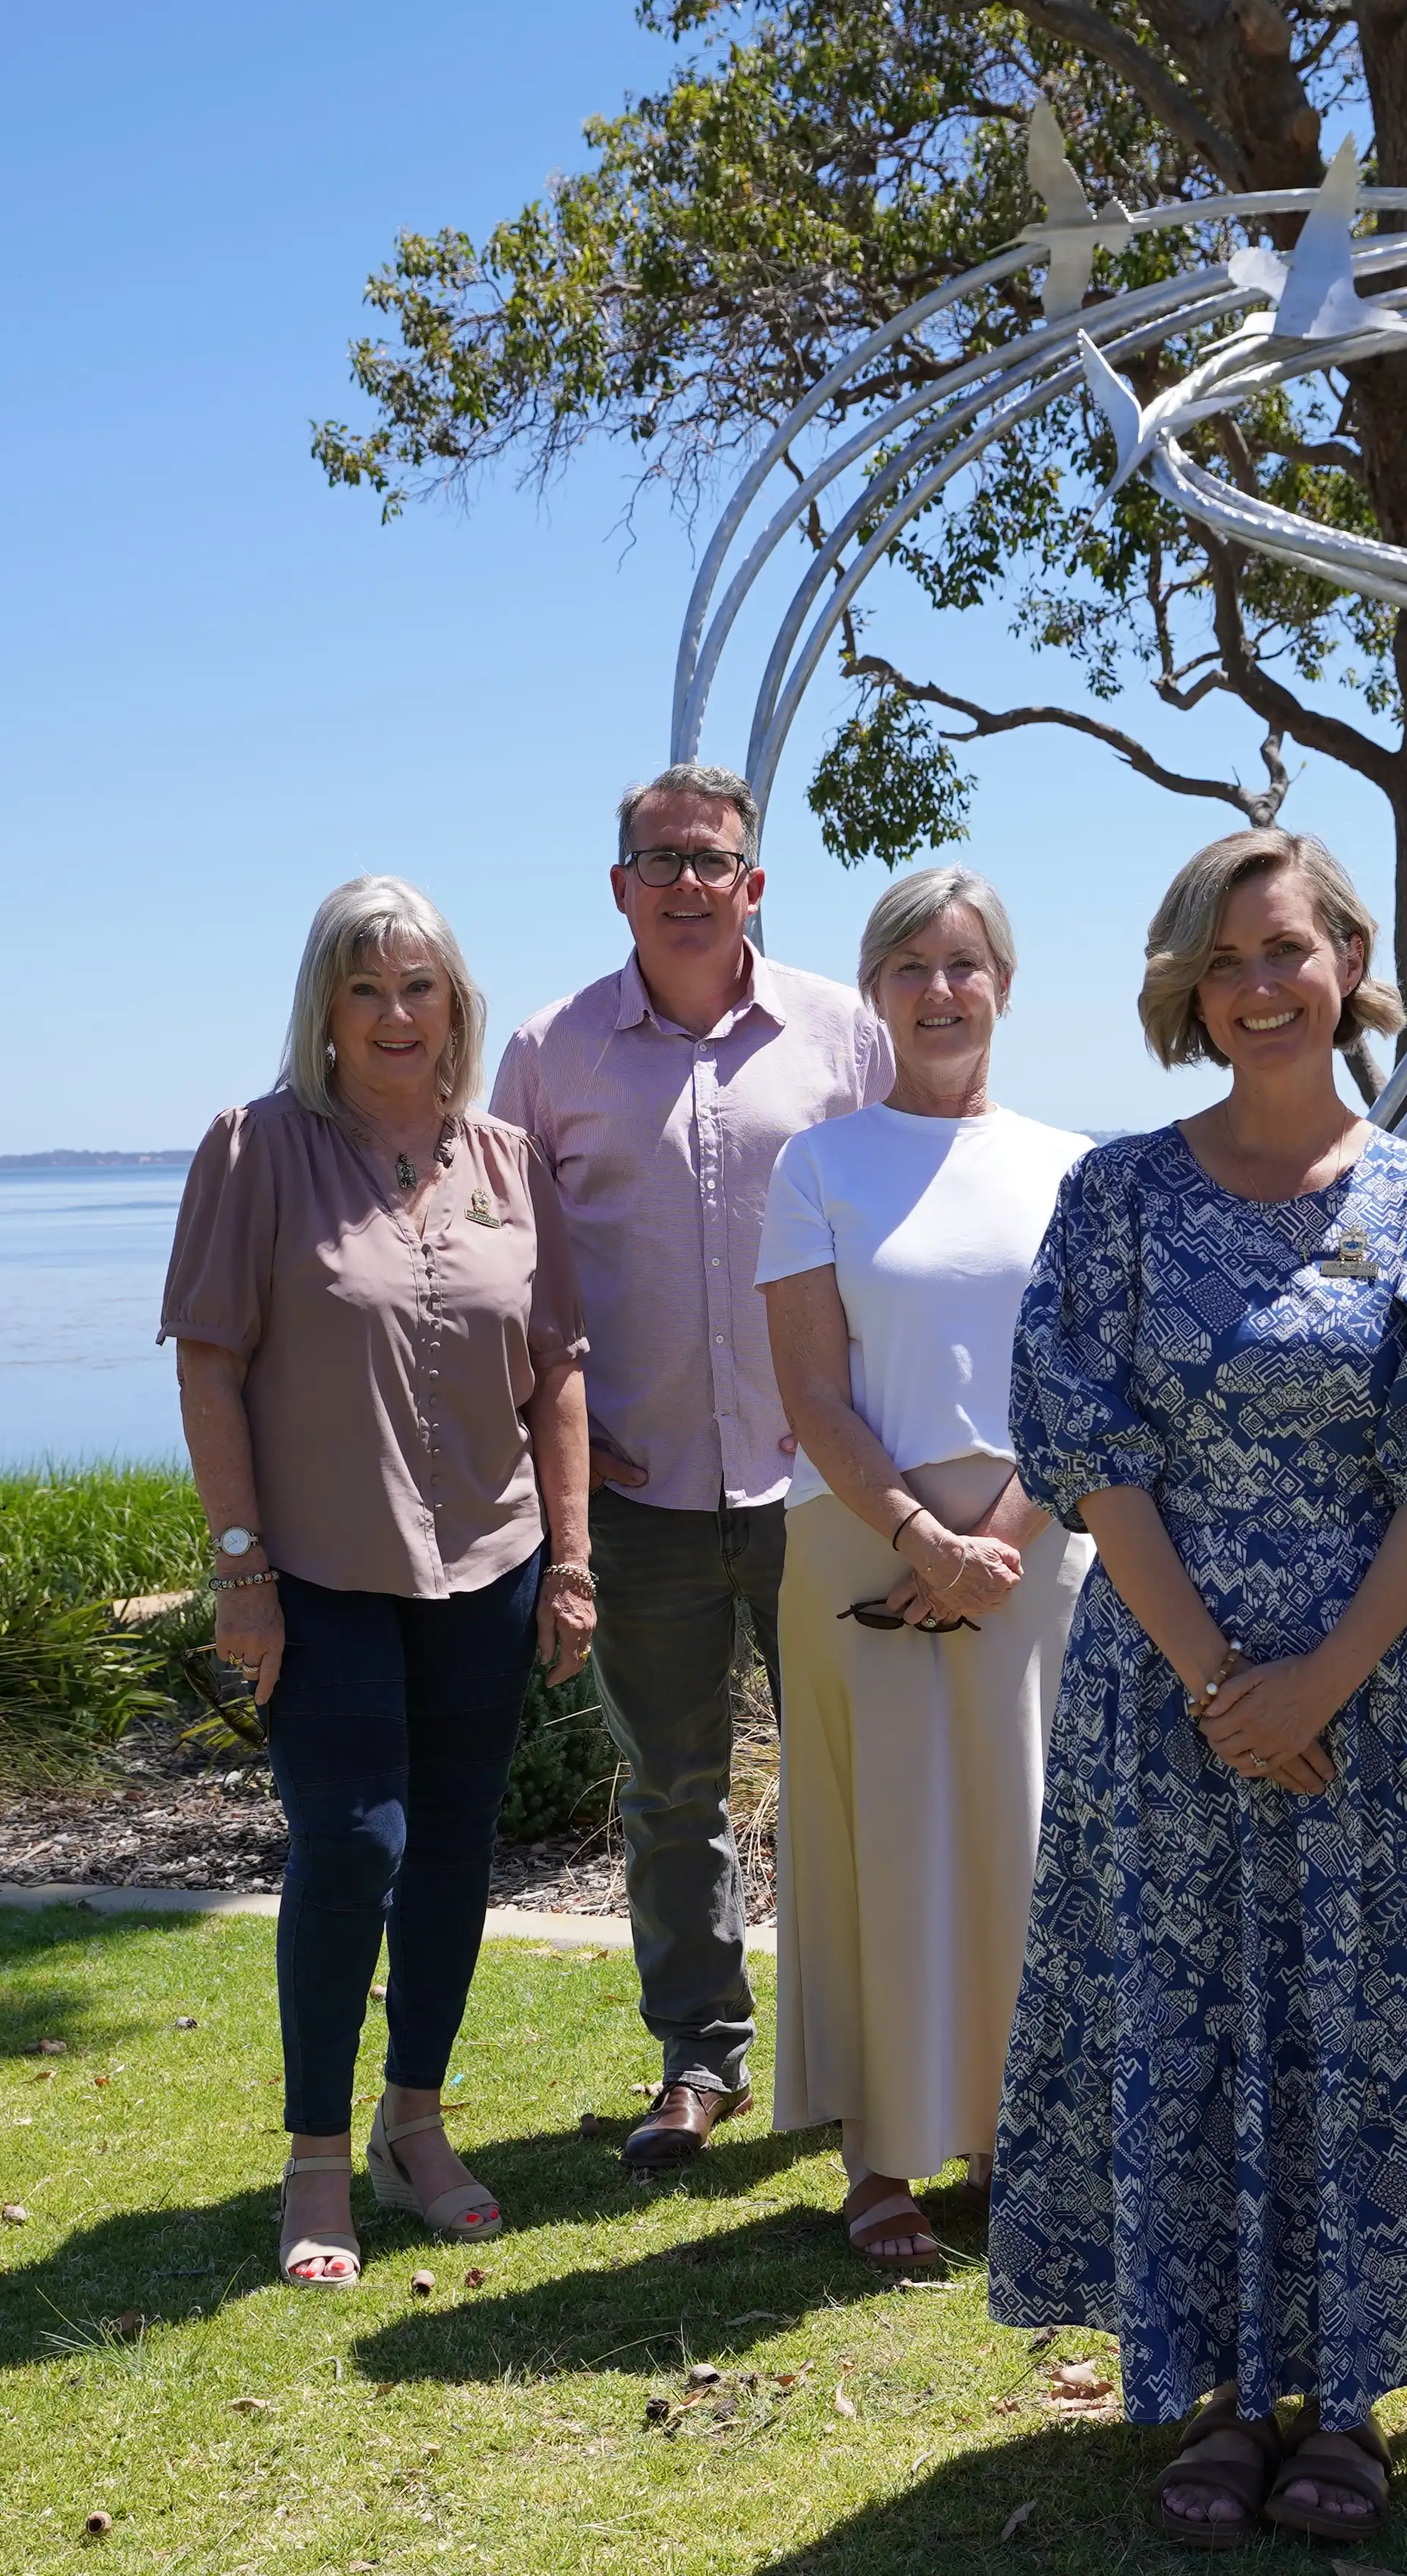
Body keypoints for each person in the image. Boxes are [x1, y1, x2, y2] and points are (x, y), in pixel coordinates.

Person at [989, 827, 1407, 2551]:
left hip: (1388, 1705)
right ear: (1186, 989)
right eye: (1225, 959)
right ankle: (1207, 2388)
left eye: (1289, 950)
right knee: (1188, 2023)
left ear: (1349, 960)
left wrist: (1323, 1680)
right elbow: (1086, 1440)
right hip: (1168, 1702)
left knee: (1369, 2026)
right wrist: (1220, 1683)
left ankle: (1344, 2401)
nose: (1261, 986)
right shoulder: (1114, 1196)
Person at [164, 875, 599, 2290]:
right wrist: (241, 1572)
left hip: (490, 1559)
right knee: (352, 1844)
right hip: (324, 1572)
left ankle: (416, 2125)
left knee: (459, 1851)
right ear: (327, 1013)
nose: (396, 1014)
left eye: (419, 987)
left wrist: (574, 1563)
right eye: (366, 989)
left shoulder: (509, 1162)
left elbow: (558, 1373)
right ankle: (311, 2156)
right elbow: (211, 1360)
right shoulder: (256, 1150)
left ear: (455, 1006)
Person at [490, 764, 893, 2175]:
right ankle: (700, 2062)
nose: (682, 884)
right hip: (639, 1489)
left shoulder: (847, 1038)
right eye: (655, 862)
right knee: (673, 1792)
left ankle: (869, 2057)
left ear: (755, 882)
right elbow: (515, 1277)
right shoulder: (547, 1055)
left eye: (708, 860)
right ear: (619, 887)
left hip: (820, 1486)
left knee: (854, 1782)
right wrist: (552, 1457)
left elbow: (908, 1216)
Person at [755, 865, 1091, 2265]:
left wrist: (993, 1541)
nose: (939, 990)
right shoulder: (818, 1167)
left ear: (1004, 984)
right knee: (878, 1848)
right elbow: (812, 1392)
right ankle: (881, 2159)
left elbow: (1087, 1386)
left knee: (1026, 1847)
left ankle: (1025, 2138)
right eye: (909, 966)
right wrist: (919, 1538)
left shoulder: (1077, 1166)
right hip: (861, 1545)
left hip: (1038, 1549)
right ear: (874, 992)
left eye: (964, 963)